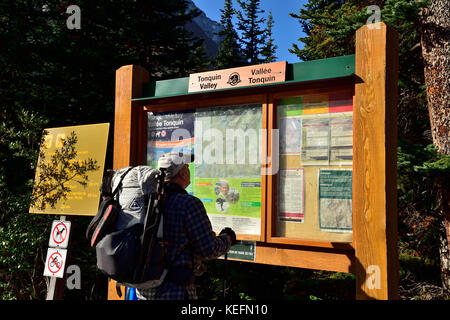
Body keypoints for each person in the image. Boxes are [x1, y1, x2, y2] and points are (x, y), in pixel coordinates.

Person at [136, 151, 237, 300]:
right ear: (182, 173)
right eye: (187, 167)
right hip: (174, 292)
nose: (189, 170)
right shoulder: (189, 204)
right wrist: (227, 238)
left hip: (145, 291)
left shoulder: (148, 201)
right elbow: (208, 249)